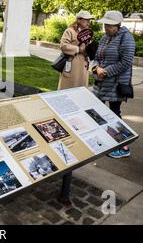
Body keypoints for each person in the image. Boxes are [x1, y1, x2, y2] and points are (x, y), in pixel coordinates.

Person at [91, 11, 136, 158]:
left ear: (117, 25)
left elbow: (126, 61)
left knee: (114, 114)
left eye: (109, 25)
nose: (106, 27)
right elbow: (96, 57)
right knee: (95, 111)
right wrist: (96, 68)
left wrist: (105, 71)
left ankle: (123, 147)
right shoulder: (105, 37)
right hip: (101, 81)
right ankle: (102, 140)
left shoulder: (126, 37)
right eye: (105, 24)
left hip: (115, 83)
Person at [58, 10, 95, 90]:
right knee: (68, 89)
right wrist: (78, 49)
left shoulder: (88, 33)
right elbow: (63, 45)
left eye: (89, 20)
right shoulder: (70, 31)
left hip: (84, 64)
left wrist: (91, 50)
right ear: (79, 20)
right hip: (72, 63)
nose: (88, 22)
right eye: (86, 20)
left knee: (81, 90)